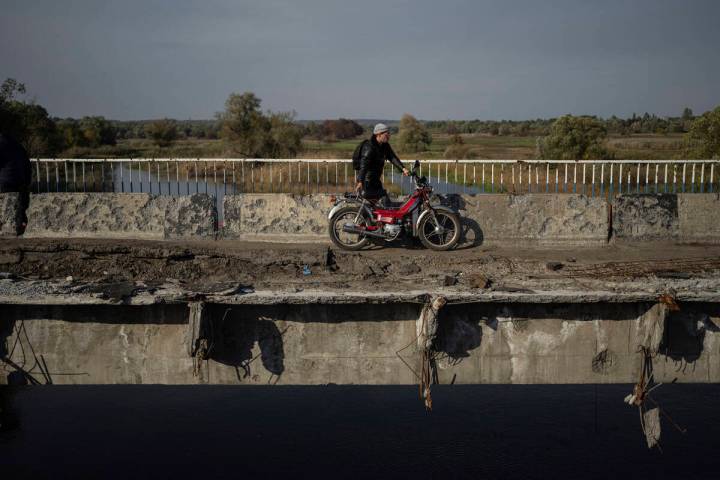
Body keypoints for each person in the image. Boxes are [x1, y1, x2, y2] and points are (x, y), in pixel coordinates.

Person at [355, 123, 409, 206]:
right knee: (384, 202)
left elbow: (392, 157)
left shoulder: (384, 146)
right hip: (367, 181)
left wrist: (403, 168)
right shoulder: (369, 147)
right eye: (386, 134)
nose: (388, 136)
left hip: (376, 180)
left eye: (389, 134)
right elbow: (363, 165)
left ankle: (368, 218)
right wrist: (360, 181)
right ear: (378, 134)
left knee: (378, 206)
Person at [0, 132, 32, 232]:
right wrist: (26, 183)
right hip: (20, 184)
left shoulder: (1, 143)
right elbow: (27, 165)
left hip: (5, 183)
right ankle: (18, 228)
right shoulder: (16, 143)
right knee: (17, 215)